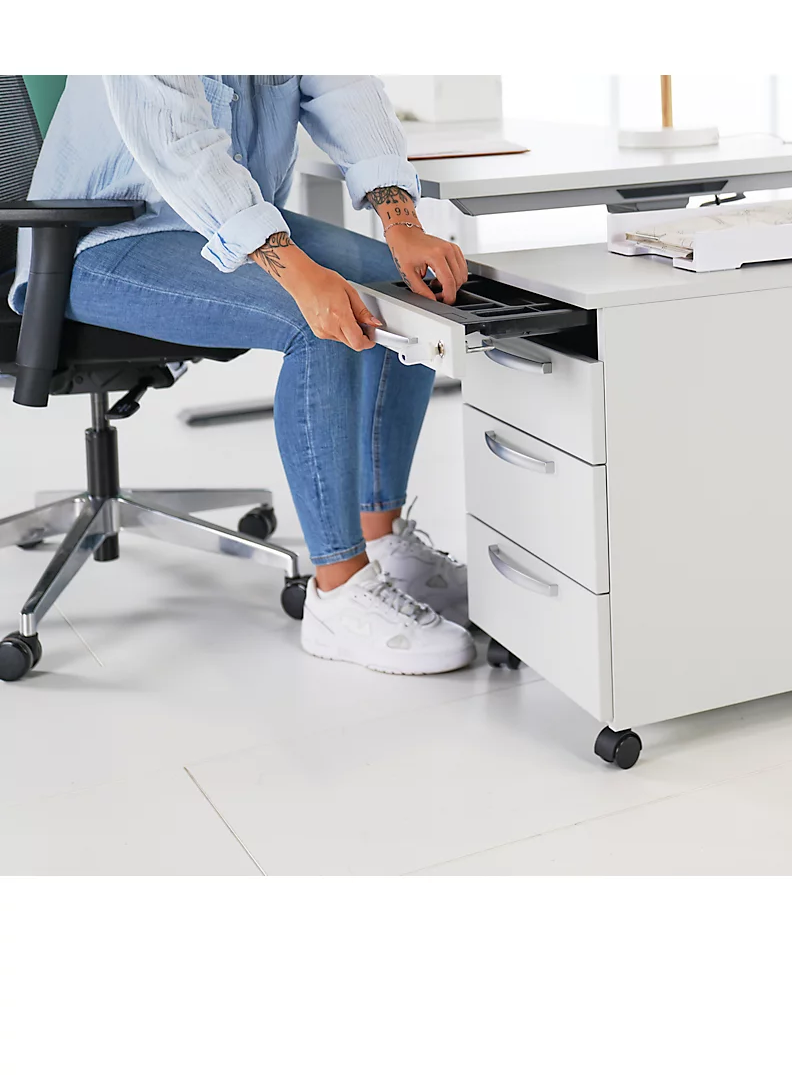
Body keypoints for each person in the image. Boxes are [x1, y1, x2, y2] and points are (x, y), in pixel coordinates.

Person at [12, 76, 475, 676]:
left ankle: (383, 537)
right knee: (320, 323)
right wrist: (294, 272)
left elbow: (346, 87)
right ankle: (338, 592)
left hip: (219, 228)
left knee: (410, 297)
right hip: (103, 242)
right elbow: (180, 145)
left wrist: (401, 221)